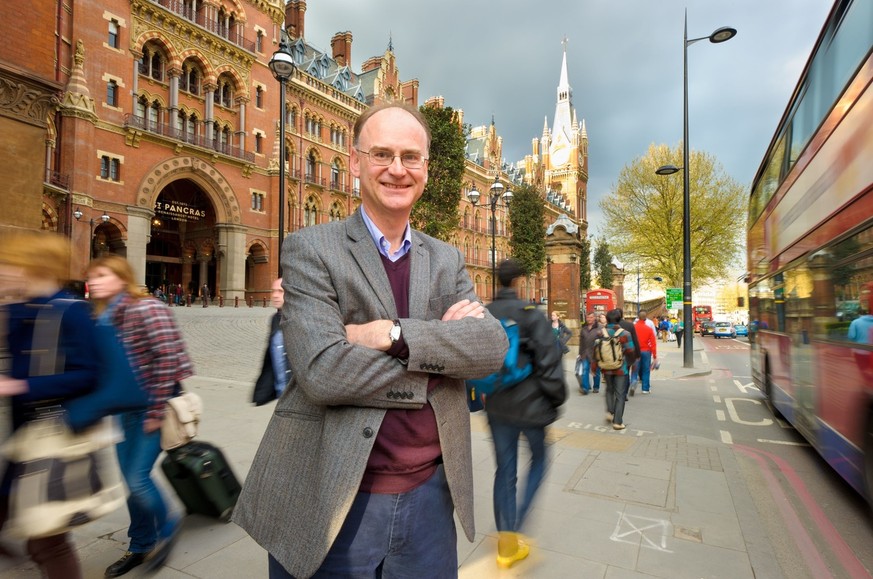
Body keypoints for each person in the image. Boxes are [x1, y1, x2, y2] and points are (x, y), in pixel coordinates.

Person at [233, 102, 509, 579]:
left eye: (411, 156)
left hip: (430, 498)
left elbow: (490, 349)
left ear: (425, 167)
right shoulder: (310, 249)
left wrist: (390, 334)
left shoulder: (446, 259)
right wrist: (440, 357)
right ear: (356, 162)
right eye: (382, 154)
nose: (397, 169)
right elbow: (322, 373)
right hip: (334, 490)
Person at [0, 230, 100, 579]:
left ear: (35, 267)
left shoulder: (72, 312)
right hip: (24, 437)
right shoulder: (23, 307)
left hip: (55, 436)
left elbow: (89, 374)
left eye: (12, 265)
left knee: (48, 545)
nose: (5, 271)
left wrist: (20, 385)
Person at [86, 255, 193, 577]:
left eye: (103, 275)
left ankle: (169, 525)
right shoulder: (104, 315)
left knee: (137, 477)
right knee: (131, 482)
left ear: (121, 277)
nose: (95, 282)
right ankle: (140, 545)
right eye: (92, 277)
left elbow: (167, 359)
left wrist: (157, 411)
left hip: (152, 406)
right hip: (124, 410)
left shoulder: (148, 308)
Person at [482, 259, 566, 568]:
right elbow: (549, 359)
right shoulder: (531, 315)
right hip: (531, 406)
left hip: (497, 405)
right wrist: (556, 399)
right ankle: (515, 528)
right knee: (540, 459)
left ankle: (506, 543)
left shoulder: (486, 313)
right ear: (519, 280)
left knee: (504, 470)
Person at [252, 278, 292, 405]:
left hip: (297, 397)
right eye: (273, 291)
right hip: (282, 394)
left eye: (280, 291)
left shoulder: (301, 321)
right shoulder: (275, 319)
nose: (275, 295)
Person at [593, 309, 635, 430]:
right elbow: (630, 351)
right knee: (620, 394)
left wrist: (595, 366)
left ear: (607, 319)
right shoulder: (625, 334)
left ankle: (610, 412)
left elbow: (595, 351)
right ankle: (617, 422)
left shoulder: (600, 333)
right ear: (619, 319)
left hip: (606, 367)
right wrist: (629, 364)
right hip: (621, 369)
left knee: (609, 390)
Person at [632, 310, 658, 394]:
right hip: (646, 351)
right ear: (645, 318)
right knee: (646, 370)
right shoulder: (649, 329)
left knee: (635, 369)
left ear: (638, 317)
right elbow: (653, 343)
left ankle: (633, 382)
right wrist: (654, 356)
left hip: (635, 351)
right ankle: (645, 388)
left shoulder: (633, 327)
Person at [577, 311, 602, 394]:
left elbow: (603, 341)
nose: (589, 319)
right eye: (588, 317)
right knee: (585, 370)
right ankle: (585, 388)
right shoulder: (583, 328)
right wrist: (580, 353)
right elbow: (581, 342)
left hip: (595, 353)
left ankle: (596, 387)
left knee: (596, 371)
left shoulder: (600, 328)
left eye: (591, 317)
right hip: (585, 353)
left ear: (594, 318)